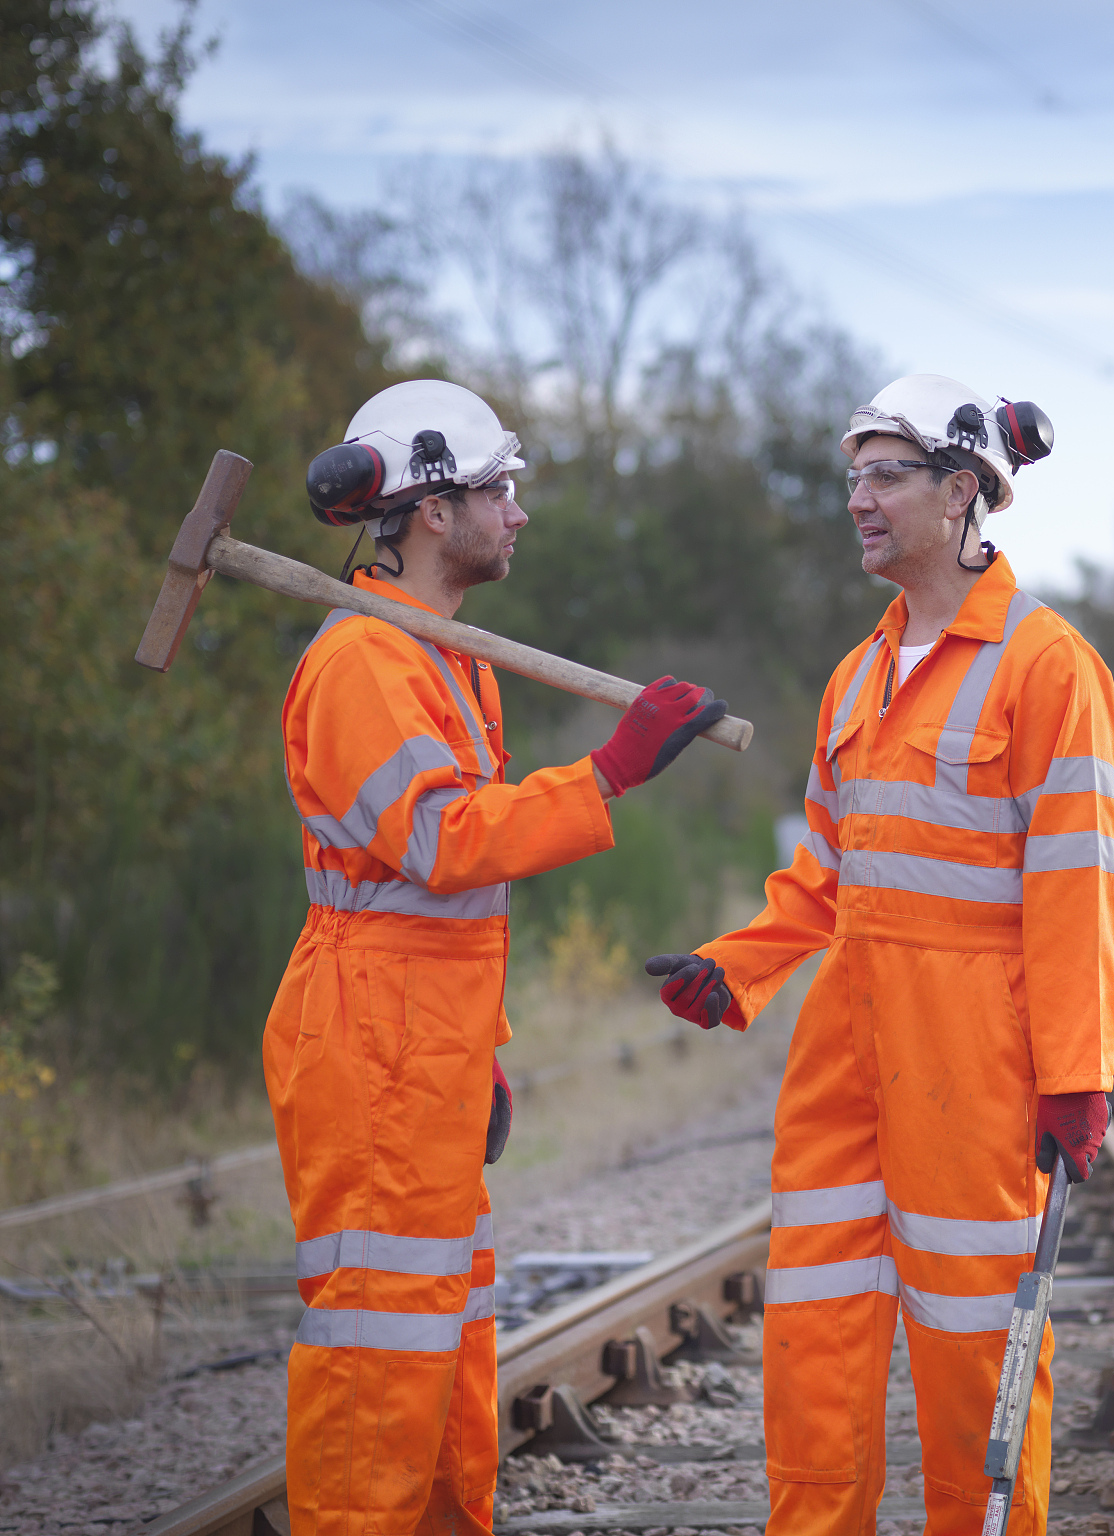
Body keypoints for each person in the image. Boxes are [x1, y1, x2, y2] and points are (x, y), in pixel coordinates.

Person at [644, 375, 1114, 1536]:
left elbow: (1074, 896)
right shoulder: (855, 678)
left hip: (973, 1052)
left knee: (970, 1341)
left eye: (885, 476)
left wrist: (1076, 1072)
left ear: (964, 494)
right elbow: (825, 872)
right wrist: (740, 965)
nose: (858, 501)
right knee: (814, 1332)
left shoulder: (1046, 666)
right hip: (844, 1045)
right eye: (851, 477)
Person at [265, 379, 728, 1534]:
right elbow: (439, 843)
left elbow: (442, 911)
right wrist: (607, 772)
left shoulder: (441, 655)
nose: (516, 514)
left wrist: (482, 1052)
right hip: (369, 1055)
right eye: (499, 491)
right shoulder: (366, 662)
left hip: (421, 1047)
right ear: (432, 510)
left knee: (440, 1350)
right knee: (380, 1358)